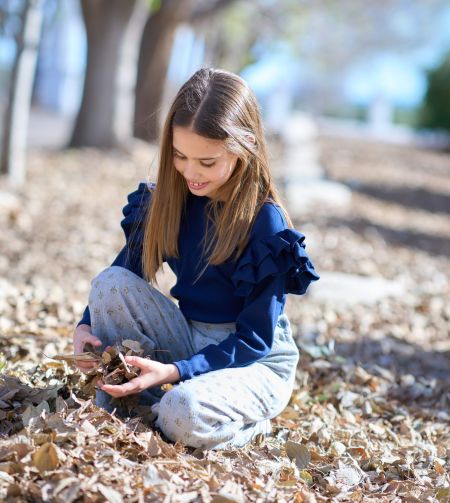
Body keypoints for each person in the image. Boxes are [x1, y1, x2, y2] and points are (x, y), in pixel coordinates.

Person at [73, 67, 319, 450]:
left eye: (207, 162)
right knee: (107, 283)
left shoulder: (265, 222)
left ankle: (247, 425)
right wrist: (84, 328)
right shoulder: (168, 200)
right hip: (188, 335)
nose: (191, 172)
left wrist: (176, 371)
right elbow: (124, 274)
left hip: (252, 359)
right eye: (180, 156)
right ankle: (126, 399)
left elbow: (254, 339)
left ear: (244, 147)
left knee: (180, 412)